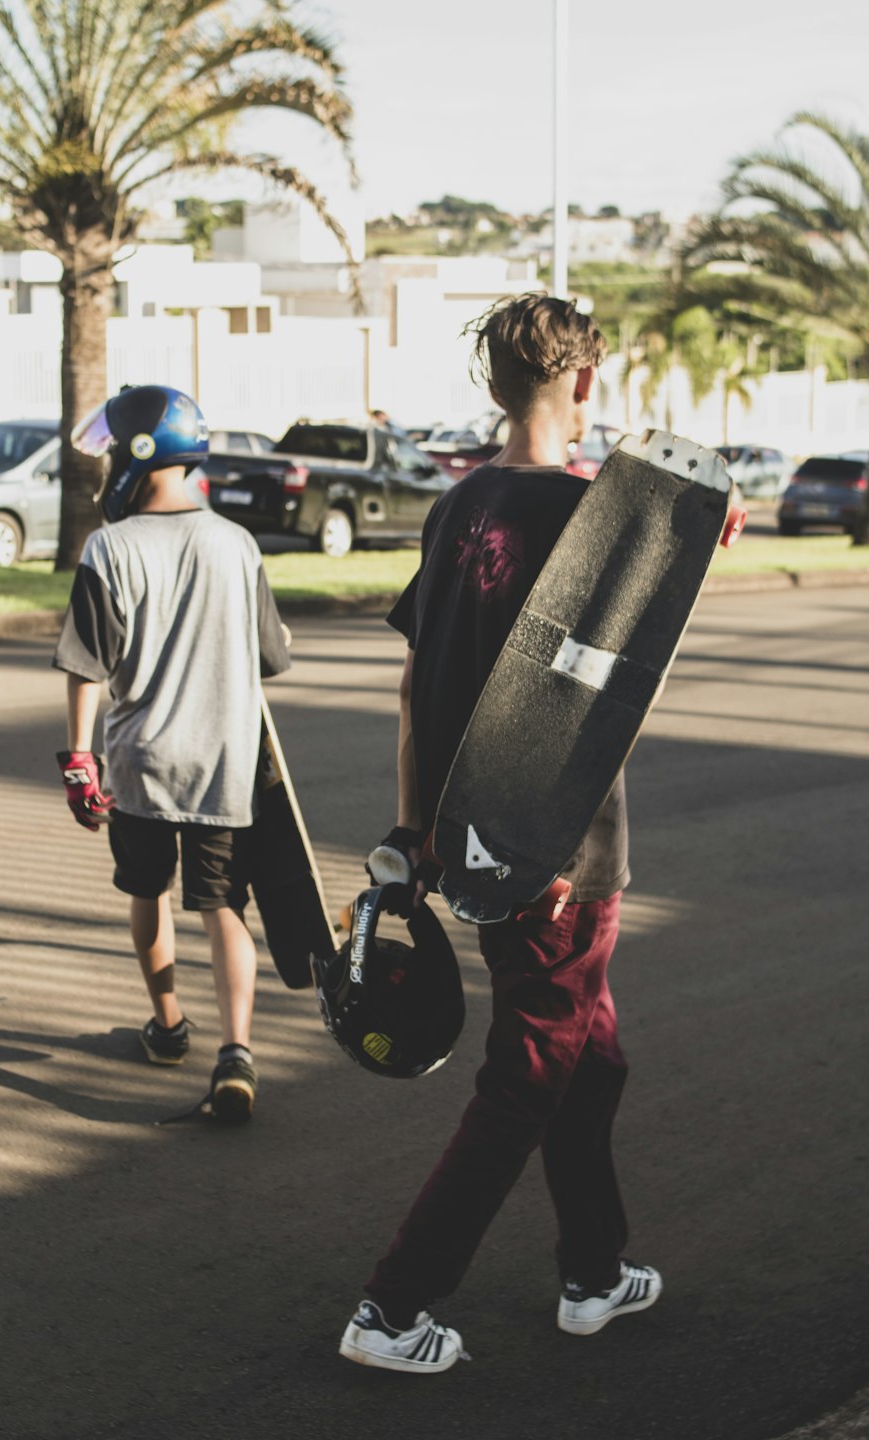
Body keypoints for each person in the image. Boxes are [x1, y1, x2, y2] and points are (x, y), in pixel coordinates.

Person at [339, 295, 661, 1374]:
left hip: (469, 832)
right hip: (552, 852)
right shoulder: (595, 519)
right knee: (531, 1068)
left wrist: (412, 824)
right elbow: (590, 703)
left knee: (588, 1055)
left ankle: (593, 1270)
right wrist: (557, 855)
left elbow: (414, 681)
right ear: (583, 382)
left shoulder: (456, 503)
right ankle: (392, 1307)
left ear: (493, 386)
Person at [52, 384, 291, 1123]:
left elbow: (87, 664)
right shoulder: (237, 543)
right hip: (222, 762)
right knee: (223, 908)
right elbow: (271, 657)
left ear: (136, 455)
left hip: (140, 766)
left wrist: (79, 760)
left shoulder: (110, 548)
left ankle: (168, 1028)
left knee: (148, 893)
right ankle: (237, 1054)